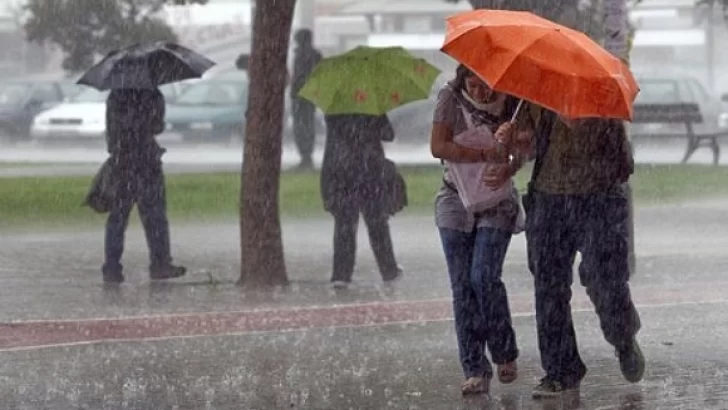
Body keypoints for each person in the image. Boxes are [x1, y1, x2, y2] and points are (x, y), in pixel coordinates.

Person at [521, 107, 645, 398]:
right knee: (549, 287)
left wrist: (587, 129)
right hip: (548, 200)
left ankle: (623, 337)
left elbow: (623, 165)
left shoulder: (599, 103)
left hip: (597, 200)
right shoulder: (533, 100)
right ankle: (561, 370)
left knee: (605, 281)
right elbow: (523, 152)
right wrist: (515, 143)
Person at [429, 65, 532, 395]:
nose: (480, 90)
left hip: (496, 200)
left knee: (483, 278)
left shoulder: (514, 104)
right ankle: (474, 367)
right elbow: (438, 146)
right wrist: (483, 153)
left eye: (488, 83)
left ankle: (503, 351)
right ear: (463, 76)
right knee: (462, 287)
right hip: (454, 199)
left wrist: (510, 158)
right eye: (474, 81)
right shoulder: (449, 97)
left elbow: (525, 150)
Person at [102, 88, 186, 284]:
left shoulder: (115, 95)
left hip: (121, 161)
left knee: (117, 218)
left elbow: (111, 130)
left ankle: (112, 268)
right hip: (147, 162)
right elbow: (157, 127)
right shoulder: (153, 95)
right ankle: (160, 264)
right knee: (155, 217)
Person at [321, 114, 405, 290]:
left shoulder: (334, 111)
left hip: (341, 172)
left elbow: (332, 141)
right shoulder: (372, 107)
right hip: (370, 171)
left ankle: (341, 274)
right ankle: (388, 269)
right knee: (377, 224)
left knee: (345, 224)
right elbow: (388, 134)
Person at [290, 29, 322, 169]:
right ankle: (306, 156)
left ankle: (305, 156)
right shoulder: (315, 55)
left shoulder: (302, 55)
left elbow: (299, 76)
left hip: (301, 95)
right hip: (309, 95)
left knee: (301, 126)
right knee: (307, 125)